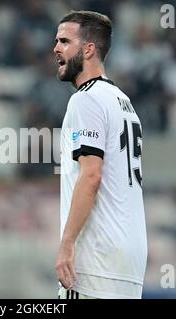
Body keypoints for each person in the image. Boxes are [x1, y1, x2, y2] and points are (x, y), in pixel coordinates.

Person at [53, 11, 148, 299]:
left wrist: (67, 244)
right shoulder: (123, 103)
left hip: (96, 260)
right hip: (129, 264)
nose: (56, 48)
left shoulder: (86, 99)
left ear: (89, 49)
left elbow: (92, 175)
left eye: (65, 41)